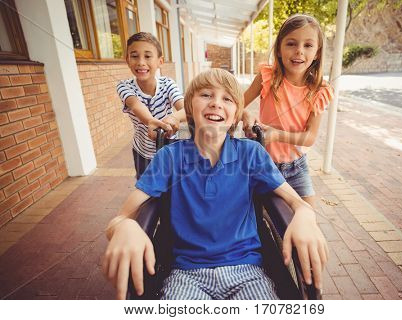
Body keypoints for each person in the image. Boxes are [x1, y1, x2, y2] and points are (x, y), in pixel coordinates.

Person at [103, 68, 328, 300]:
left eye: (227, 99)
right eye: (206, 95)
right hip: (186, 274)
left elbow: (296, 202)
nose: (216, 104)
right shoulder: (169, 157)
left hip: (248, 271)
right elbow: (120, 218)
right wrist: (126, 227)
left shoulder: (251, 154)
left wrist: (305, 215)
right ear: (189, 107)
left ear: (236, 115)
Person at [243, 14, 333, 208]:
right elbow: (237, 103)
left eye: (308, 45)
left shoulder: (319, 91)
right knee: (261, 216)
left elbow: (309, 137)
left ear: (317, 52)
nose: (299, 51)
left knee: (308, 217)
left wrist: (276, 135)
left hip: (297, 167)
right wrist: (246, 115)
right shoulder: (267, 76)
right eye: (291, 43)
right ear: (279, 49)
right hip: (263, 165)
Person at [117, 32, 186, 179]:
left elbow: (186, 109)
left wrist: (173, 118)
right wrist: (149, 121)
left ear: (160, 61)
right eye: (134, 56)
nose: (141, 62)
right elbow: (135, 105)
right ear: (127, 60)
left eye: (148, 56)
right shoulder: (124, 87)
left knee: (171, 187)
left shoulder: (168, 84)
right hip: (143, 153)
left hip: (169, 149)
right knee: (146, 189)